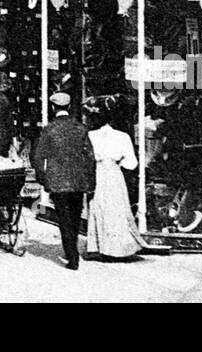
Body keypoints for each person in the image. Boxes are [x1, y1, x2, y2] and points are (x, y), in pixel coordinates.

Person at [32, 91, 96, 270]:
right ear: (68, 107)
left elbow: (38, 157)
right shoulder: (81, 128)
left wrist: (42, 178)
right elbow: (89, 157)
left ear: (53, 108)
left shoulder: (49, 130)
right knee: (75, 218)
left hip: (57, 182)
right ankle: (73, 249)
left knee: (64, 219)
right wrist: (90, 180)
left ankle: (71, 255)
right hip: (77, 182)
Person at [84, 103, 147, 261]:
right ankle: (117, 248)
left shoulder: (90, 136)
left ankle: (97, 247)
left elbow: (85, 159)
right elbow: (131, 163)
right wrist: (118, 165)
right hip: (114, 175)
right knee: (116, 208)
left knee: (98, 207)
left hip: (97, 174)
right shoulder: (122, 136)